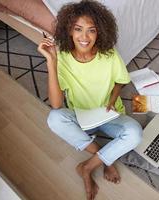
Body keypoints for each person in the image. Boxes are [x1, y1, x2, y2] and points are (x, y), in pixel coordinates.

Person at [37, 1, 142, 200]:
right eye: (78, 29)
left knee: (135, 133)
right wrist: (51, 61)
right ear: (69, 30)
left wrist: (112, 99)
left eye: (91, 30)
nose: (84, 37)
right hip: (81, 116)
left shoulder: (109, 55)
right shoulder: (63, 58)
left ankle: (87, 167)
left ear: (99, 32)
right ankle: (106, 158)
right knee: (54, 118)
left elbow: (121, 81)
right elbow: (57, 105)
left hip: (109, 114)